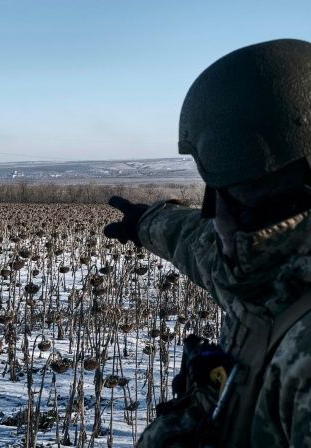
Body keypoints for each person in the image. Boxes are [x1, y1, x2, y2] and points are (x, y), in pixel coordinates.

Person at [104, 38, 311, 447]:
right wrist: (146, 223)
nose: (216, 216)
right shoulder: (264, 271)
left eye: (235, 191)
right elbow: (196, 242)